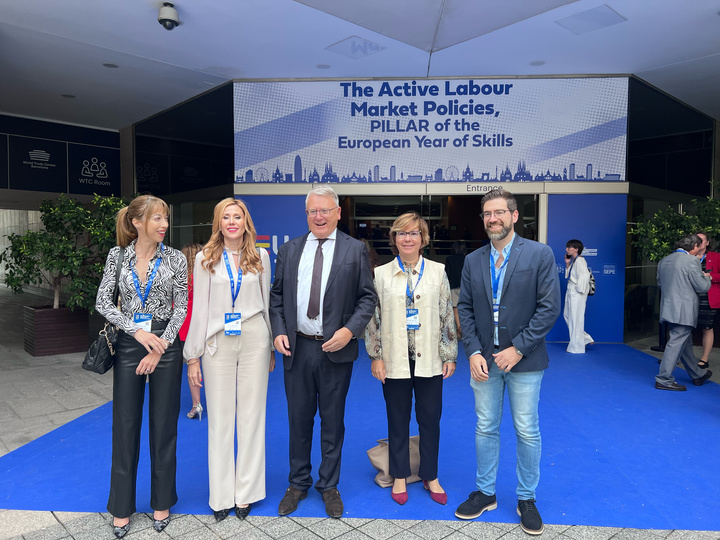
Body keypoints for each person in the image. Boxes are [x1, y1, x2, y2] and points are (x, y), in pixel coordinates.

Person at [454, 189, 560, 536]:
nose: (492, 219)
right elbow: (465, 310)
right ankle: (486, 493)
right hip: (484, 361)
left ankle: (526, 498)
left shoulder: (540, 254)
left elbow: (549, 309)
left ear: (514, 216)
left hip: (524, 361)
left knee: (527, 430)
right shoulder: (473, 260)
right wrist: (471, 351)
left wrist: (518, 348)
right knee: (485, 427)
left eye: (499, 212)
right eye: (487, 213)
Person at [269, 186, 377, 518]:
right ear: (306, 215)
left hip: (336, 350)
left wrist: (349, 331)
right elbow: (276, 298)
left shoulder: (355, 249)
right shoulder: (289, 250)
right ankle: (297, 484)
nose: (318, 216)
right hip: (297, 349)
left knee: (332, 422)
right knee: (298, 420)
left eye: (325, 210)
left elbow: (367, 298)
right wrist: (278, 333)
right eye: (312, 211)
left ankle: (328, 485)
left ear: (338, 212)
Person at [95, 195, 188, 539]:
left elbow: (182, 305)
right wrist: (137, 332)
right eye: (156, 219)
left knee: (164, 427)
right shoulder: (117, 256)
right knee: (125, 426)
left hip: (166, 344)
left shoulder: (176, 258)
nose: (164, 225)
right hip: (131, 343)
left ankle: (162, 501)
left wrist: (160, 343)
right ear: (136, 222)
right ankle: (121, 507)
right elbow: (103, 301)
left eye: (165, 218)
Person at [183, 198, 275, 521]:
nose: (232, 222)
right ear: (218, 223)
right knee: (220, 420)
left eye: (238, 216)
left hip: (254, 340)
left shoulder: (260, 256)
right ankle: (221, 496)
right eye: (226, 217)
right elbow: (200, 310)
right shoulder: (206, 259)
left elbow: (265, 303)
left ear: (246, 222)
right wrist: (192, 356)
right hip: (217, 344)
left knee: (252, 418)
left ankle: (246, 493)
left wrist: (272, 347)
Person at [365, 212, 457, 506]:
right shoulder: (380, 274)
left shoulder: (438, 272)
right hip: (394, 361)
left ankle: (431, 476)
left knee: (430, 419)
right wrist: (375, 356)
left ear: (423, 239)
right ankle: (401, 474)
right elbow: (373, 320)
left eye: (414, 233)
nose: (408, 238)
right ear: (394, 238)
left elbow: (446, 315)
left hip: (429, 357)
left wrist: (449, 354)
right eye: (402, 233)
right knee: (397, 419)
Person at [655, 234, 713, 391]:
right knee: (676, 342)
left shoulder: (664, 260)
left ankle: (697, 374)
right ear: (694, 247)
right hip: (684, 310)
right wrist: (707, 277)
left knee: (684, 343)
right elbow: (702, 287)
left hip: (669, 308)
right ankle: (664, 379)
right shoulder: (692, 261)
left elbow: (660, 283)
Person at [179, 242, 204, 420]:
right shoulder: (205, 275)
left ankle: (196, 404)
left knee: (192, 364)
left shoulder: (180, 277)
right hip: (204, 321)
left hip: (185, 325)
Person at [563, 239, 594, 353]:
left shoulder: (580, 261)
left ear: (576, 249)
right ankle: (584, 339)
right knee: (568, 315)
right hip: (572, 291)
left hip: (577, 293)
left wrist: (578, 289)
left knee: (575, 318)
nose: (567, 249)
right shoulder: (575, 261)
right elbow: (570, 275)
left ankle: (577, 347)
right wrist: (567, 264)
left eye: (569, 247)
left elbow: (585, 276)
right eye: (567, 247)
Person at [694, 232, 718, 369]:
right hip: (689, 297)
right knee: (684, 328)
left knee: (707, 328)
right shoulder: (688, 256)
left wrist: (711, 276)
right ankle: (677, 356)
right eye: (697, 240)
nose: (699, 242)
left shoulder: (715, 257)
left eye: (702, 240)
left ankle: (704, 358)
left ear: (707, 242)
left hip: (707, 299)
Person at [445, 241, 467, 338]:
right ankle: (466, 327)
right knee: (466, 307)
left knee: (455, 308)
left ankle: (459, 327)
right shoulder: (467, 258)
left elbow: (447, 273)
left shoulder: (449, 259)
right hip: (466, 286)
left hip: (453, 285)